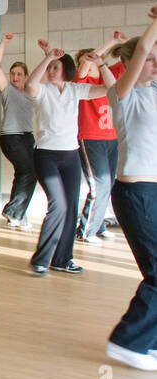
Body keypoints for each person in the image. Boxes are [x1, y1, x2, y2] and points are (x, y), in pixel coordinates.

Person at [24, 40, 112, 276]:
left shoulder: (75, 90)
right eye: (49, 68)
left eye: (55, 67)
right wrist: (47, 58)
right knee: (59, 205)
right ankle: (41, 259)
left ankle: (62, 260)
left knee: (71, 207)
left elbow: (110, 88)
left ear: (66, 70)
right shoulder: (42, 90)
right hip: (46, 155)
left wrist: (100, 63)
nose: (51, 71)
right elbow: (30, 83)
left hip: (70, 155)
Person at [102, 6, 157, 370]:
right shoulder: (122, 94)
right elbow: (138, 55)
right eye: (150, 59)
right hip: (135, 195)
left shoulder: (153, 92)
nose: (153, 65)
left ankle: (147, 340)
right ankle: (128, 341)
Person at [74, 33, 128, 243]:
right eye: (87, 63)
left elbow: (127, 63)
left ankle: (97, 224)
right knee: (100, 185)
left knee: (109, 184)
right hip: (90, 138)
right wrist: (111, 41)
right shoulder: (82, 82)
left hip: (111, 138)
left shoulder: (109, 76)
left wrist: (123, 44)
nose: (92, 65)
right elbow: (88, 62)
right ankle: (85, 230)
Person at [0, 34, 36, 230]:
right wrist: (3, 44)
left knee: (23, 173)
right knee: (30, 171)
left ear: (25, 76)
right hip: (11, 137)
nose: (15, 77)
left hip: (27, 136)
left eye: (19, 74)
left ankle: (18, 214)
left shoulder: (31, 91)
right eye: (13, 74)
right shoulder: (7, 90)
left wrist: (48, 53)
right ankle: (13, 211)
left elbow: (41, 75)